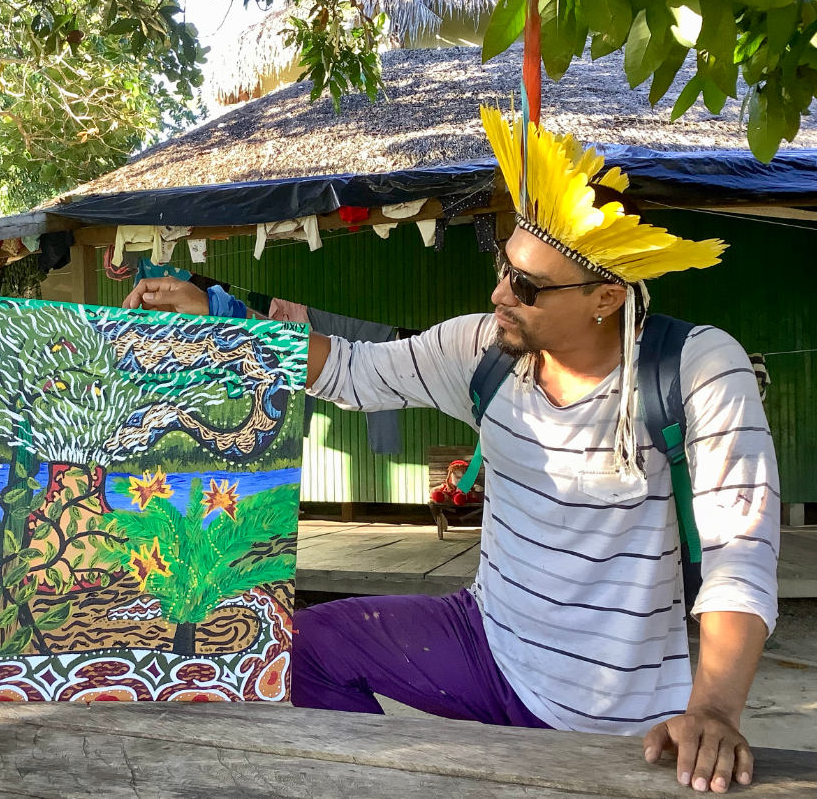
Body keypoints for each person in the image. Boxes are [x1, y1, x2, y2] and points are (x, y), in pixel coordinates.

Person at [123, 107, 779, 795]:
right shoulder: (481, 351)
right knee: (300, 646)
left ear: (605, 298)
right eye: (503, 266)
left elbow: (743, 546)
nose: (499, 294)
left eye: (526, 287)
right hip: (486, 643)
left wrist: (712, 709)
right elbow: (350, 370)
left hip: (617, 710)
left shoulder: (696, 368)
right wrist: (222, 322)